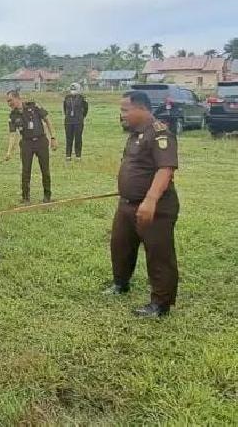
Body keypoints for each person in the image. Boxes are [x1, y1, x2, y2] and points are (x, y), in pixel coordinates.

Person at [105, 91, 179, 318]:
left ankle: (160, 304)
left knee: (158, 254)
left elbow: (165, 169)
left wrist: (150, 200)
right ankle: (121, 284)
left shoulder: (159, 134)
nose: (122, 115)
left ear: (142, 109)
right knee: (120, 246)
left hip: (153, 206)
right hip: (127, 205)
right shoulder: (135, 134)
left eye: (126, 110)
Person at [3, 90, 58, 204]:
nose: (9, 103)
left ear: (17, 98)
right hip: (26, 143)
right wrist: (9, 152)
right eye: (8, 101)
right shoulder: (13, 115)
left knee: (45, 170)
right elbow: (13, 134)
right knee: (25, 171)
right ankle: (25, 197)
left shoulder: (33, 106)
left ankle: (47, 196)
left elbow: (47, 119)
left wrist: (53, 138)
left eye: (10, 100)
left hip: (41, 141)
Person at [63, 82, 88, 160]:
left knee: (78, 138)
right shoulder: (67, 98)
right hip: (68, 121)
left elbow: (86, 109)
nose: (73, 90)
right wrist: (67, 115)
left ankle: (78, 155)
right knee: (68, 138)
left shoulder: (82, 98)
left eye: (75, 89)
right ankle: (68, 155)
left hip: (78, 121)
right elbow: (64, 109)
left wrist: (81, 116)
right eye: (72, 89)